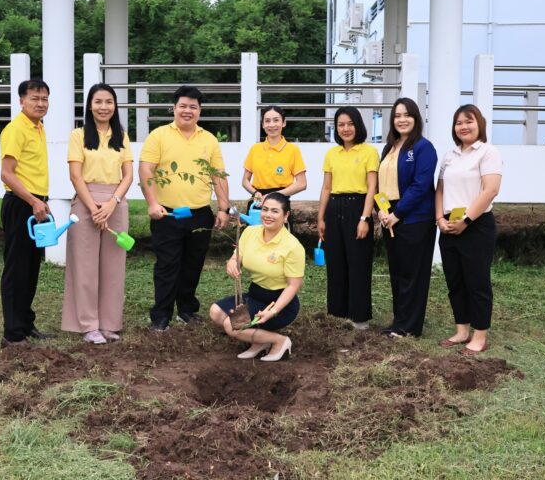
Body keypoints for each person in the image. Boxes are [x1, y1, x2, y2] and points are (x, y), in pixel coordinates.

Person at [139, 85, 231, 331]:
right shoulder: (159, 136)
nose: (187, 111)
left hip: (200, 214)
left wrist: (223, 208)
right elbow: (146, 169)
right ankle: (161, 315)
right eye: (183, 106)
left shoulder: (209, 139)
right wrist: (152, 203)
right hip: (166, 214)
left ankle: (187, 310)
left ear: (199, 110)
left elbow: (218, 174)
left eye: (193, 106)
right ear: (174, 108)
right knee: (167, 265)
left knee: (193, 264)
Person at [61, 83, 133, 344]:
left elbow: (128, 175)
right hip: (86, 202)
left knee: (114, 266)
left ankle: (109, 323)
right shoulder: (78, 135)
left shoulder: (121, 136)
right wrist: (93, 208)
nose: (104, 107)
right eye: (98, 102)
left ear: (115, 106)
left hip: (115, 203)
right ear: (90, 106)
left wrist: (112, 203)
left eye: (109, 102)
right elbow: (75, 175)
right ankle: (88, 325)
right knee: (85, 266)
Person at [436, 104, 502, 355]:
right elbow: (440, 190)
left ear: (479, 124)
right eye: (459, 122)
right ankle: (462, 330)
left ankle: (480, 336)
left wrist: (466, 220)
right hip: (449, 224)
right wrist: (439, 219)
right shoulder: (450, 155)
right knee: (455, 281)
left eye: (469, 121)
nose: (463, 126)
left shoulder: (488, 152)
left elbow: (490, 190)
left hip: (476, 225)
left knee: (477, 281)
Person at [209, 193, 304, 361]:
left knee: (232, 326)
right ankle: (261, 341)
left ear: (286, 215)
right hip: (255, 295)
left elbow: (293, 285)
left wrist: (273, 311)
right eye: (265, 209)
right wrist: (232, 264)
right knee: (216, 312)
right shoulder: (250, 232)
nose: (268, 215)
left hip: (279, 302)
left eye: (275, 211)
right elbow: (236, 258)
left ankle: (280, 341)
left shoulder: (292, 246)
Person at [0, 79, 54, 348]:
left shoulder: (38, 127)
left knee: (31, 268)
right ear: (21, 101)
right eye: (35, 98)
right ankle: (12, 334)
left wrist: (41, 201)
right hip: (20, 205)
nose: (40, 103)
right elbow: (6, 173)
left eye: (44, 99)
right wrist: (33, 200)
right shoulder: (16, 129)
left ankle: (25, 323)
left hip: (35, 204)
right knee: (16, 269)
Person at [377, 98, 438, 338]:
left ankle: (410, 327)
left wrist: (397, 214)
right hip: (389, 215)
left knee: (413, 274)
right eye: (397, 116)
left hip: (414, 217)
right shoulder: (389, 147)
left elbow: (420, 185)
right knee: (398, 271)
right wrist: (381, 210)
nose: (402, 120)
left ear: (415, 118)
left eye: (407, 115)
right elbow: (382, 183)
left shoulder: (423, 147)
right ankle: (399, 321)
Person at [317, 106, 378, 330]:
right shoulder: (332, 154)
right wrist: (321, 217)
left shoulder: (369, 152)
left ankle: (359, 317)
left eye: (350, 124)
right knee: (336, 263)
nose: (346, 128)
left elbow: (372, 188)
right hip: (334, 208)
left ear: (358, 125)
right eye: (341, 124)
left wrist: (365, 218)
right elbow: (326, 187)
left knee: (358, 263)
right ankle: (337, 313)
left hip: (357, 208)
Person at [242, 105, 307, 221]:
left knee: (279, 233)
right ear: (262, 124)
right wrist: (255, 193)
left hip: (280, 203)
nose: (271, 125)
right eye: (267, 121)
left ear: (284, 123)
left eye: (276, 120)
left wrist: (275, 195)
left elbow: (302, 184)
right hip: (258, 203)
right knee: (255, 232)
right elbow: (245, 181)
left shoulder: (293, 150)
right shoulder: (255, 149)